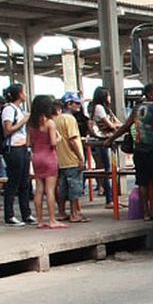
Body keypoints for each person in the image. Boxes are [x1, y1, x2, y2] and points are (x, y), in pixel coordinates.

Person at [107, 83, 153, 221]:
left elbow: (125, 126)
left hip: (139, 150)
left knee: (142, 182)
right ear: (149, 94)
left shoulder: (136, 109)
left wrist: (110, 139)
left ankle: (145, 212)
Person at [27, 95, 66, 230]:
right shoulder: (49, 122)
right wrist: (59, 138)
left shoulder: (31, 123)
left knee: (39, 189)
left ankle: (40, 221)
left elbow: (29, 143)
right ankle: (52, 220)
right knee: (50, 189)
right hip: (49, 156)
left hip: (36, 156)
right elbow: (53, 143)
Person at [0, 83, 35, 226]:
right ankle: (9, 215)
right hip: (13, 149)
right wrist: (23, 121)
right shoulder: (8, 109)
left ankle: (26, 213)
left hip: (23, 148)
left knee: (25, 183)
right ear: (19, 94)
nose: (25, 94)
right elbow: (7, 130)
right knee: (13, 183)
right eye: (24, 91)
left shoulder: (19, 109)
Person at [55, 93, 87, 223]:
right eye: (76, 103)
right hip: (72, 159)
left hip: (60, 159)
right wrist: (80, 157)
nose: (79, 106)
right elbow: (72, 140)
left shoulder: (56, 119)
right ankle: (75, 213)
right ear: (69, 104)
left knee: (62, 188)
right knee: (75, 188)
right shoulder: (70, 119)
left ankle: (62, 212)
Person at [87, 86, 119, 208]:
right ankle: (109, 199)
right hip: (103, 141)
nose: (110, 97)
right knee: (107, 170)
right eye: (108, 95)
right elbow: (112, 125)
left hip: (106, 140)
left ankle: (111, 198)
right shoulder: (99, 108)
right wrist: (116, 125)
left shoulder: (106, 109)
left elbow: (117, 123)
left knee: (109, 169)